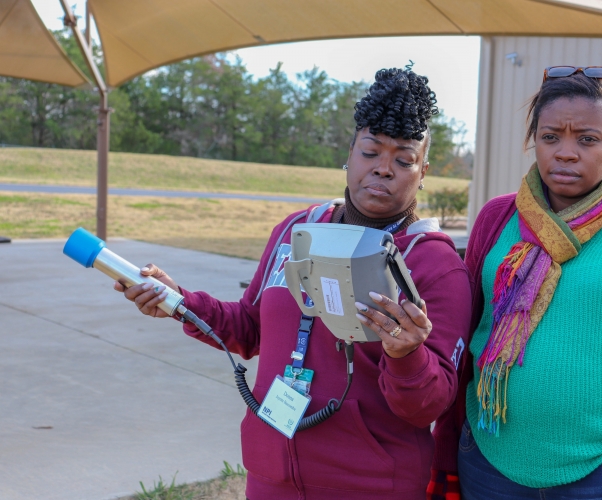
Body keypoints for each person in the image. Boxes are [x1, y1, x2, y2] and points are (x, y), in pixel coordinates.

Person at [115, 67, 472, 500]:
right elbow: (249, 329)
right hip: (272, 475)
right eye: (371, 152)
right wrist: (179, 302)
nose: (383, 170)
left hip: (371, 484)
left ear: (423, 171)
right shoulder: (297, 228)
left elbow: (429, 407)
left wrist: (406, 353)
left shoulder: (435, 263)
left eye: (403, 159)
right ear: (349, 152)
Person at [428, 67, 602, 500]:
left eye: (588, 139)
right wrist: (446, 445)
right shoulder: (497, 219)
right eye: (551, 136)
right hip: (488, 463)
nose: (566, 153)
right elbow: (465, 340)